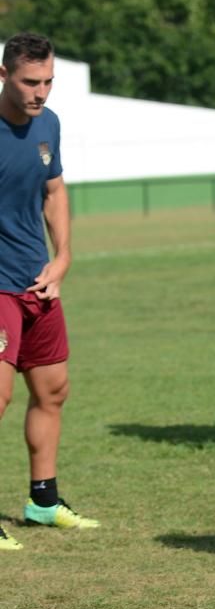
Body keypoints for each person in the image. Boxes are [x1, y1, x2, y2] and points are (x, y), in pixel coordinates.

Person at [0, 33, 100, 551]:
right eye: (29, 82)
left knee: (53, 390)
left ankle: (42, 500)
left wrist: (62, 256)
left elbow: (54, 190)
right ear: (3, 76)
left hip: (36, 280)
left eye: (48, 81)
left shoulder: (49, 124)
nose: (41, 92)